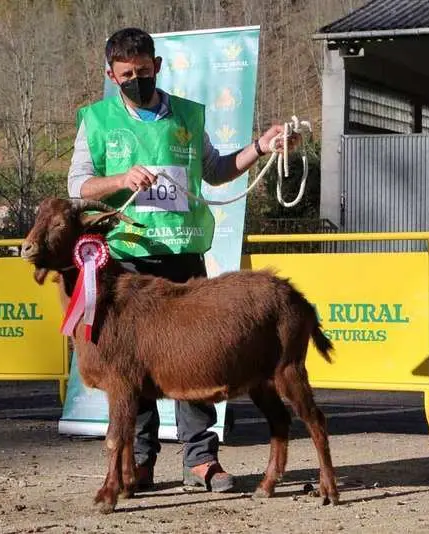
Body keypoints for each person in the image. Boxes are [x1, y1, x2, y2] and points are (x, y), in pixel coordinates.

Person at [66, 27, 301, 493]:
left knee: (194, 360)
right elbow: (78, 186)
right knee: (131, 369)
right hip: (127, 263)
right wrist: (118, 179)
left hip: (184, 256)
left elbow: (214, 171)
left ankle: (201, 460)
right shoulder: (94, 119)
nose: (137, 79)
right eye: (127, 74)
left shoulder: (188, 116)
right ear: (110, 75)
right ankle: (141, 462)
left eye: (144, 70)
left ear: (158, 65)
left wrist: (261, 147)